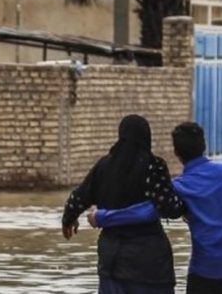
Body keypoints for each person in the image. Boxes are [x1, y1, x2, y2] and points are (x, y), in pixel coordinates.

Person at [90, 122, 222, 294]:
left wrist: (102, 217)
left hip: (204, 275)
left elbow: (147, 211)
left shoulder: (180, 186)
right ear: (204, 145)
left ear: (176, 153)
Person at [60, 115, 186, 294]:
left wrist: (68, 219)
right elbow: (170, 208)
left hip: (112, 259)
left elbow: (78, 197)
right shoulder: (154, 166)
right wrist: (184, 204)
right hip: (149, 261)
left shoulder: (104, 166)